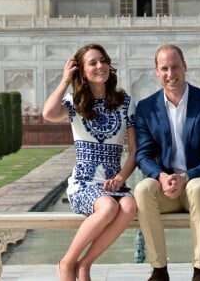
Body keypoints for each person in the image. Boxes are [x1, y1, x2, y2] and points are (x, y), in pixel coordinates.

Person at [134, 44, 200, 281]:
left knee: (196, 187)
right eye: (164, 68)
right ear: (156, 71)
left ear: (185, 67)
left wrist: (187, 176)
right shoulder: (146, 108)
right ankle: (159, 270)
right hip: (168, 188)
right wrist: (161, 176)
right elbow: (143, 155)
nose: (170, 74)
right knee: (143, 189)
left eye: (175, 67)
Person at [43, 44, 137, 281]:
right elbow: (48, 114)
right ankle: (68, 261)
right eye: (93, 63)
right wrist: (65, 80)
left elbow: (135, 151)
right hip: (84, 184)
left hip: (112, 184)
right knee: (108, 207)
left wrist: (121, 178)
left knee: (128, 206)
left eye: (103, 61)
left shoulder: (124, 102)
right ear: (82, 72)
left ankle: (85, 264)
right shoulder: (75, 102)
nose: (100, 66)